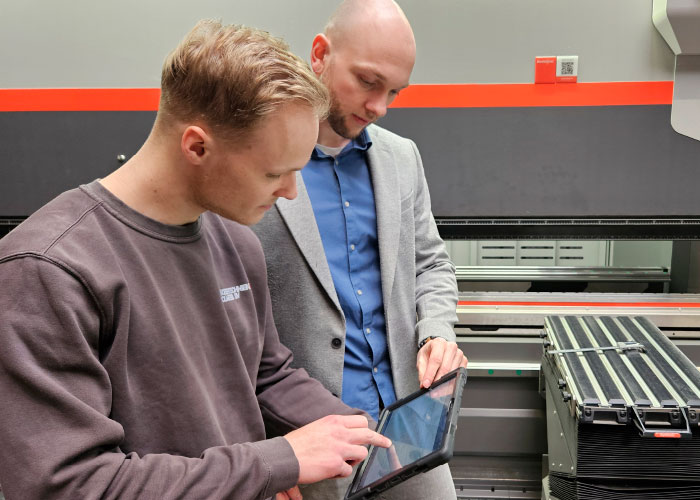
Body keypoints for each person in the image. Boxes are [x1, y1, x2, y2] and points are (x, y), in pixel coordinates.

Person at [0, 19, 391, 500]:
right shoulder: (48, 270)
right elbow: (73, 485)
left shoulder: (237, 241)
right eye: (275, 173)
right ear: (197, 146)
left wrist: (359, 432)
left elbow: (266, 374)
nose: (291, 194)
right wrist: (275, 462)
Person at [252, 1, 467, 498]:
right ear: (321, 54)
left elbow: (430, 261)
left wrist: (436, 330)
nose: (379, 107)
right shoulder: (257, 157)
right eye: (368, 82)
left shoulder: (400, 158)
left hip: (406, 426)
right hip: (303, 436)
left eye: (394, 91)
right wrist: (258, 452)